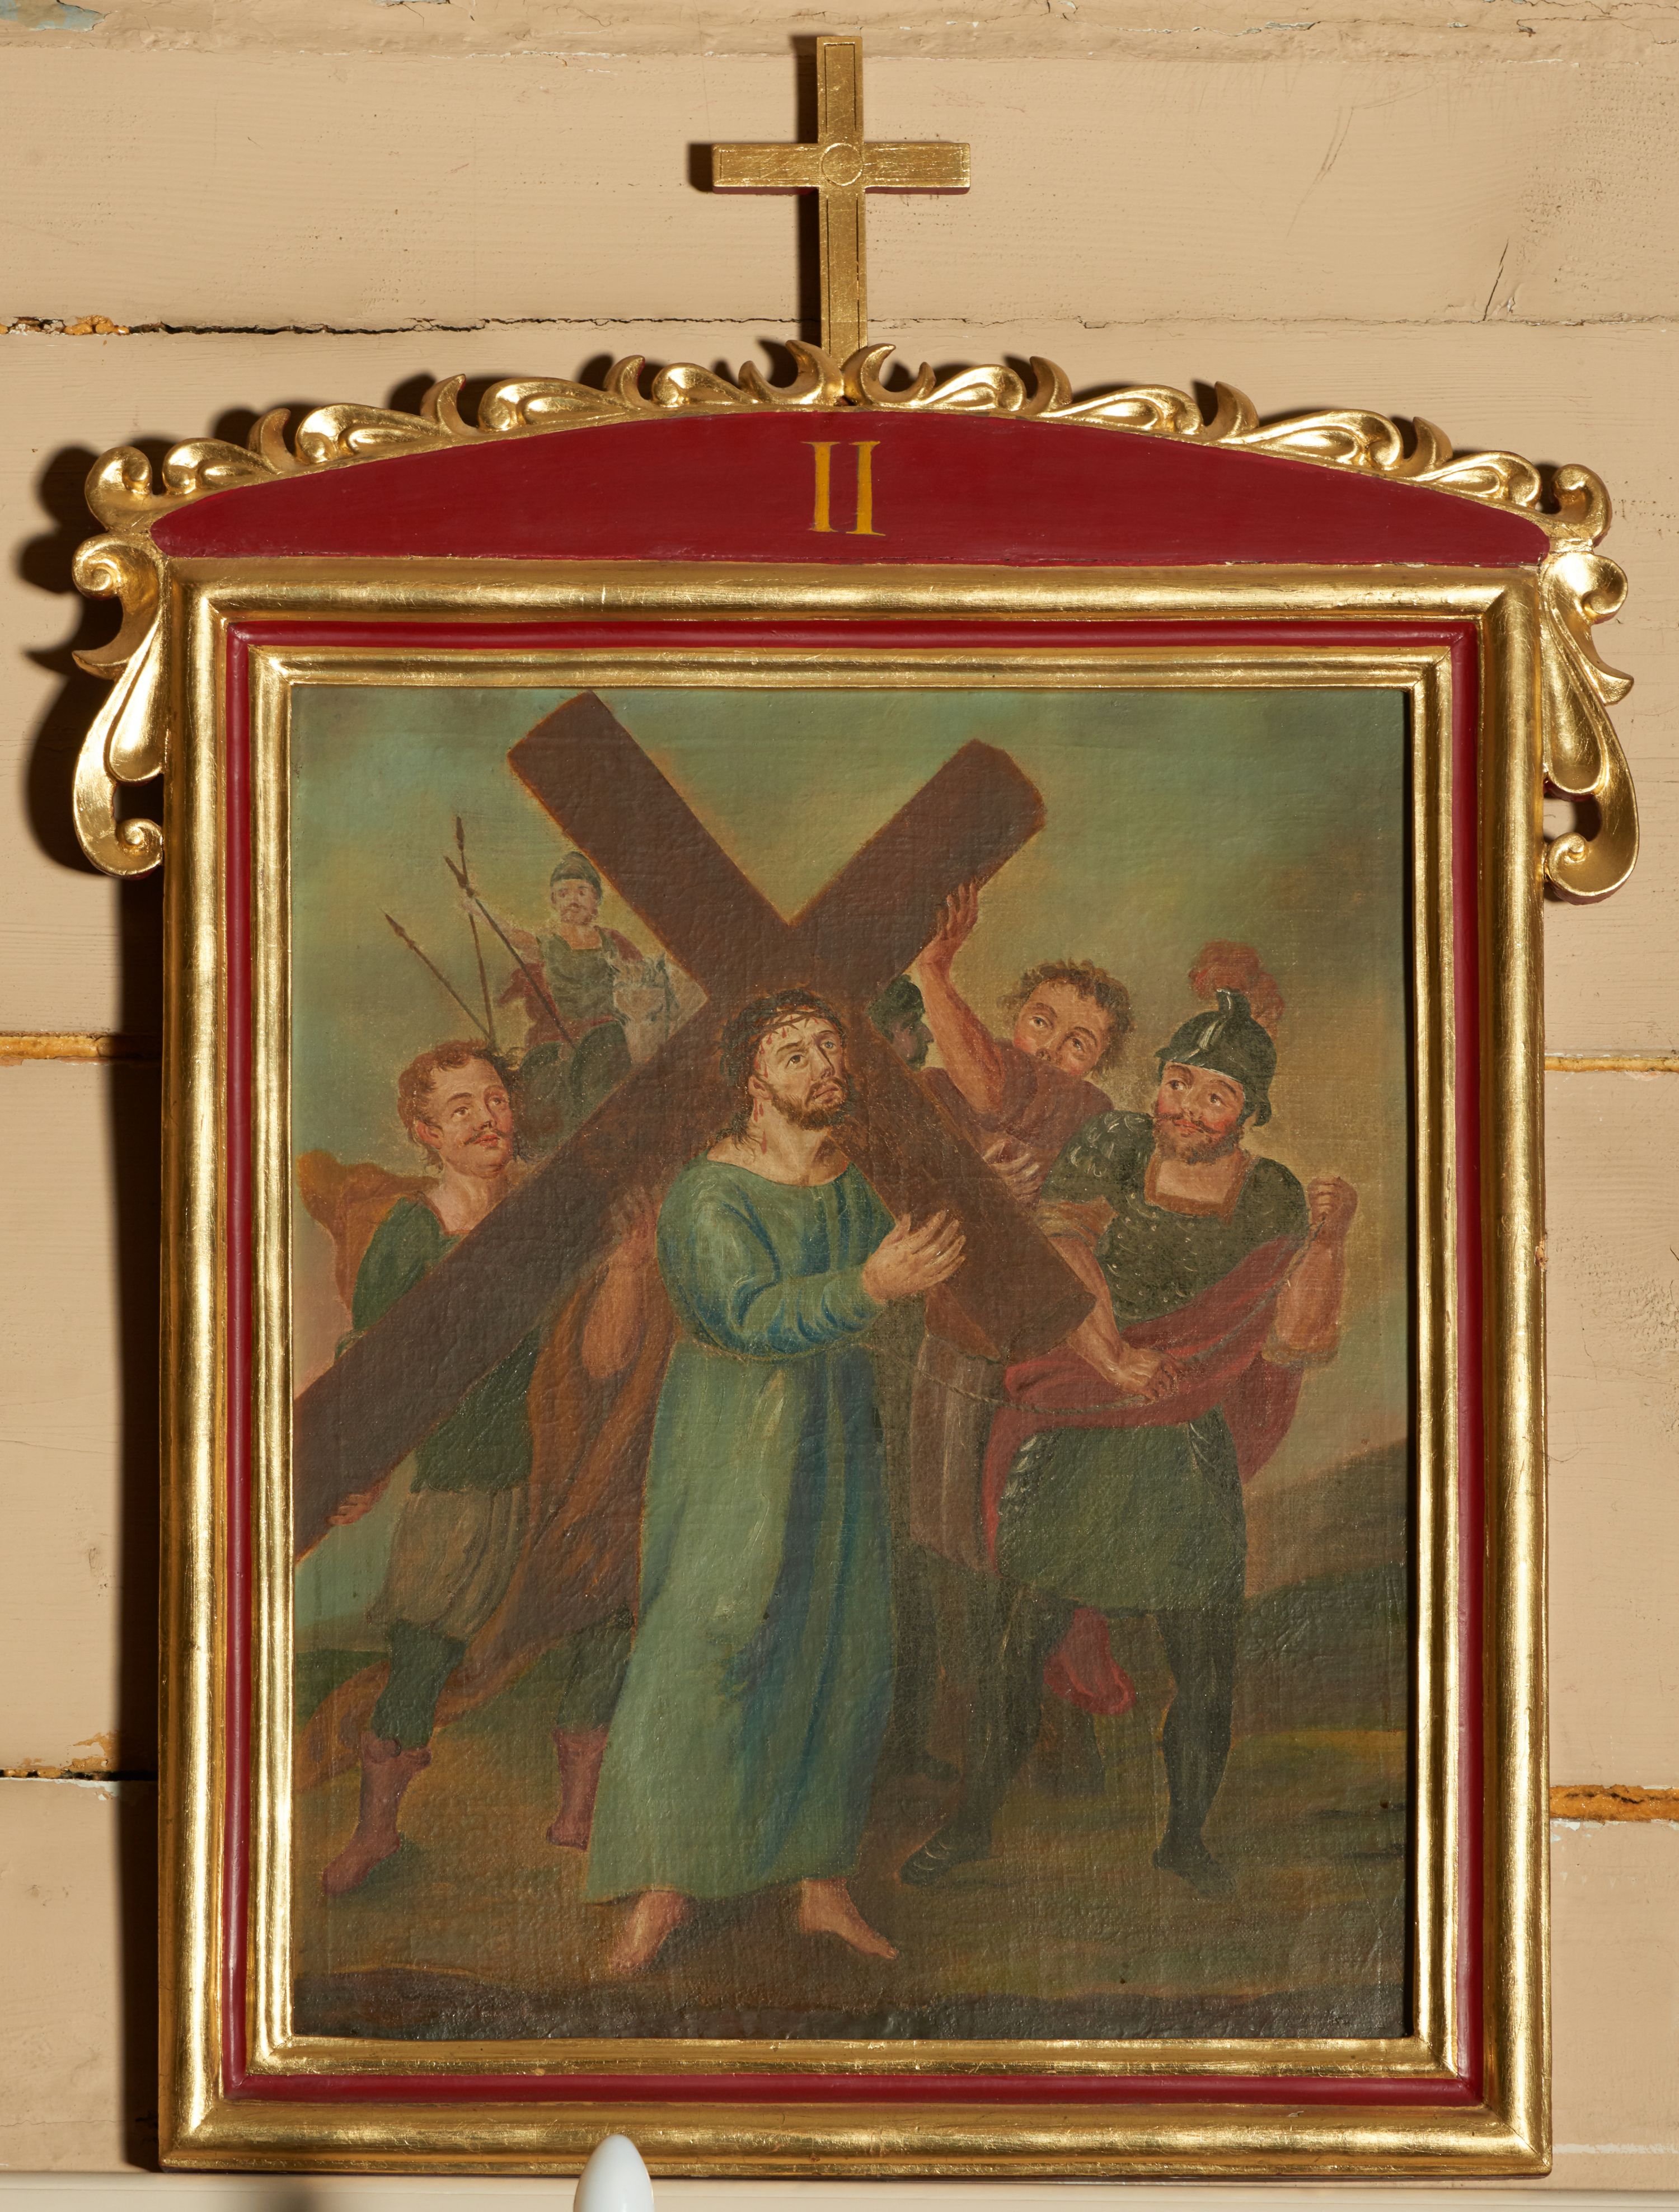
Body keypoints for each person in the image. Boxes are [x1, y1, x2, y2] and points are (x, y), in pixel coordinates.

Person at [898, 967, 1358, 1898]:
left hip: (1184, 1447)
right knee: (1020, 1645)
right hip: (1079, 1418)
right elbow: (1062, 1246)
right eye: (1177, 1082)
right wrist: (1110, 1357)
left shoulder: (1270, 1192)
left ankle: (1186, 1839)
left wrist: (1330, 1241)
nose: (1185, 1107)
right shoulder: (1114, 1141)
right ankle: (973, 1826)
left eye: (1214, 1095)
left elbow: (1298, 1340)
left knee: (1204, 1660)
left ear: (1249, 1111)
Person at [583, 987, 966, 1975]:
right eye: (795, 1054)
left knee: (838, 1646)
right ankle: (663, 1888)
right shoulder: (708, 1194)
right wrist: (869, 1286)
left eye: (830, 1045)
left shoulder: (855, 1179)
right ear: (751, 1084)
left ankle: (820, 1885)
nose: (823, 1065)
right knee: (707, 1645)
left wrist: (966, 1213)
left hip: (837, 1438)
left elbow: (914, 1262)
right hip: (733, 1445)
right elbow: (742, 1316)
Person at [907, 885, 1133, 1790]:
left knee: (1038, 1539)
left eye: (1080, 1041)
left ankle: (1057, 1731)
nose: (1052, 1046)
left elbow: (1009, 1101)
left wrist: (932, 972)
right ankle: (951, 1729)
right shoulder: (935, 1091)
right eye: (1041, 1020)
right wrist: (968, 1186)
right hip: (946, 1343)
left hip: (1049, 1359)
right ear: (1013, 1017)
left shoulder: (1088, 1113)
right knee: (939, 1532)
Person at [318, 1042, 538, 1896]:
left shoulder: (545, 1210)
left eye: (495, 1099)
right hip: (461, 1481)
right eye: (461, 1110)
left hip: (549, 1472)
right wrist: (367, 1464)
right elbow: (373, 1362)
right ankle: (376, 1833)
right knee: (421, 1652)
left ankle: (584, 1817)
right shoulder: (415, 1230)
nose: (487, 1120)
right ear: (426, 1134)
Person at [501, 850, 645, 1150]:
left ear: (596, 899)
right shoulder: (549, 943)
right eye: (564, 894)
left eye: (582, 891)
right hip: (561, 1033)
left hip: (609, 1031)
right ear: (554, 902)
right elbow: (512, 936)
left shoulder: (613, 941)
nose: (573, 900)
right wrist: (478, 908)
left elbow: (642, 981)